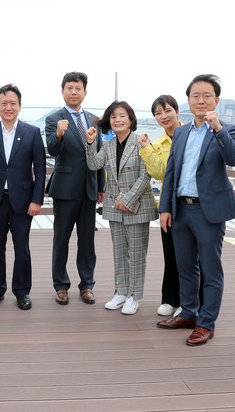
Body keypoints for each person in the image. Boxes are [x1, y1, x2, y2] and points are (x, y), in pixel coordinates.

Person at [156, 74, 235, 346]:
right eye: (196, 96)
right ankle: (189, 313)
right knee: (184, 267)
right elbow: (171, 172)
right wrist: (165, 208)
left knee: (210, 269)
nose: (201, 100)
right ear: (188, 100)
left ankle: (206, 323)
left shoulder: (228, 129)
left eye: (207, 95)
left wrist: (218, 129)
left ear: (216, 100)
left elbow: (234, 158)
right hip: (180, 209)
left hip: (208, 212)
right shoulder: (181, 132)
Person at [0, 84, 46, 311]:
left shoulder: (32, 132)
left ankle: (22, 292)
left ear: (20, 106)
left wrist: (37, 200)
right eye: (4, 103)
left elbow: (40, 170)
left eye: (13, 103)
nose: (8, 107)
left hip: (23, 201)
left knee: (21, 248)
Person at [86, 101, 158, 315]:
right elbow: (93, 164)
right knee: (119, 252)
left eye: (122, 116)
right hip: (114, 206)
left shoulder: (141, 141)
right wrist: (90, 143)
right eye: (113, 117)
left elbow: (146, 175)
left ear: (131, 119)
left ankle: (134, 296)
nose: (117, 120)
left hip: (137, 206)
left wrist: (128, 200)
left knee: (136, 253)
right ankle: (120, 292)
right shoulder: (108, 145)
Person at [45, 72, 105, 305]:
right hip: (65, 189)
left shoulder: (94, 120)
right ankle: (61, 286)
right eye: (69, 88)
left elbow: (99, 153)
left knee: (87, 241)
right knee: (61, 239)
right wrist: (59, 134)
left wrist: (101, 185)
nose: (73, 92)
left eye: (78, 88)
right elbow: (52, 150)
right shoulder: (54, 119)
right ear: (62, 91)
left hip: (89, 188)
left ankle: (87, 285)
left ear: (85, 92)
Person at [138, 95, 198, 317]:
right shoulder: (157, 144)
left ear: (177, 111)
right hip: (169, 205)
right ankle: (170, 299)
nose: (163, 116)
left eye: (167, 110)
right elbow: (159, 172)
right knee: (171, 254)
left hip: (193, 202)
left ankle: (190, 301)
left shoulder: (193, 134)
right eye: (158, 113)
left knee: (193, 257)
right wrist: (146, 148)